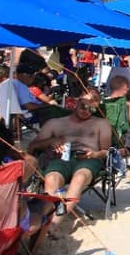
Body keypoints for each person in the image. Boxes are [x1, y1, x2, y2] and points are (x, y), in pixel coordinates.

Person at [27, 87, 112, 228]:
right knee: (51, 179)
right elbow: (32, 147)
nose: (86, 111)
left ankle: (53, 223)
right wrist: (51, 142)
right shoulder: (55, 123)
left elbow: (107, 151)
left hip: (89, 159)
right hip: (61, 158)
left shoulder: (101, 124)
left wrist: (96, 154)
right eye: (84, 106)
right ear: (77, 101)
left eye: (92, 109)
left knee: (80, 178)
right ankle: (44, 217)